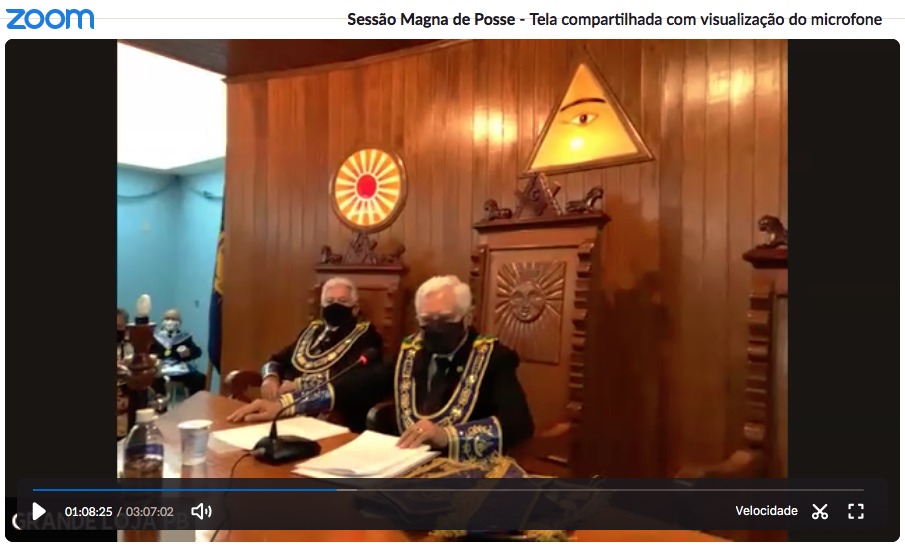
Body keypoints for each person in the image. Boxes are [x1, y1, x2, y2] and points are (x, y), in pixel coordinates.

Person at [391, 275, 534, 462]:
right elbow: (372, 382)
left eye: (445, 318)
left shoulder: (494, 358)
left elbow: (519, 425)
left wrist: (447, 436)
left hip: (466, 465)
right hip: (408, 460)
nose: (435, 326)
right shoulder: (412, 352)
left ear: (468, 318)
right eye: (427, 320)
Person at [227, 277, 385, 432]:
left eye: (342, 301)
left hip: (326, 415)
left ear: (355, 308)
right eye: (329, 301)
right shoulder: (312, 331)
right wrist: (270, 378)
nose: (335, 306)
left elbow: (348, 379)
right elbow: (277, 360)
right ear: (322, 306)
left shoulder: (366, 336)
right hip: (281, 409)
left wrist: (298, 385)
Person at [149, 309, 206, 395]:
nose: (170, 322)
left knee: (199, 378)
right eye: (167, 319)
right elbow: (150, 352)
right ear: (162, 321)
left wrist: (188, 352)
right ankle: (159, 401)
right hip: (161, 368)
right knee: (153, 380)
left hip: (180, 368)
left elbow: (197, 352)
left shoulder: (184, 337)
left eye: (173, 319)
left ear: (179, 322)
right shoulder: (155, 337)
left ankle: (194, 401)